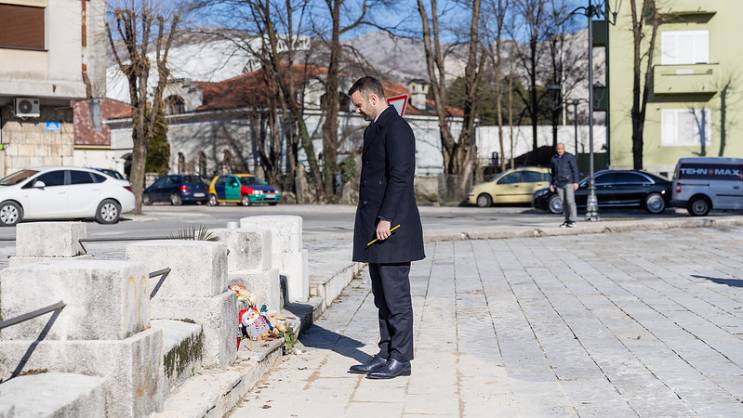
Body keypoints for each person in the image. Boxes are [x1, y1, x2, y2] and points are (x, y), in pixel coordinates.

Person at [347, 76, 425, 380]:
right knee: (381, 296)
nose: (357, 110)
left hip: (392, 227)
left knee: (396, 296)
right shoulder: (375, 129)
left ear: (373, 98)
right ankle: (386, 352)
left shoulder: (397, 129)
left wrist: (386, 217)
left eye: (358, 105)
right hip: (375, 228)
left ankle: (401, 358)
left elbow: (401, 177)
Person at [550, 143, 579, 227]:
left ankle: (573, 220)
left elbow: (575, 169)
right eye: (558, 149)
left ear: (564, 148)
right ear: (556, 149)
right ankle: (567, 220)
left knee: (570, 201)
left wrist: (576, 182)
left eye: (561, 148)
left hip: (569, 182)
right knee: (563, 203)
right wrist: (551, 184)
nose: (560, 150)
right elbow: (553, 173)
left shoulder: (569, 156)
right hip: (559, 184)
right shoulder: (554, 158)